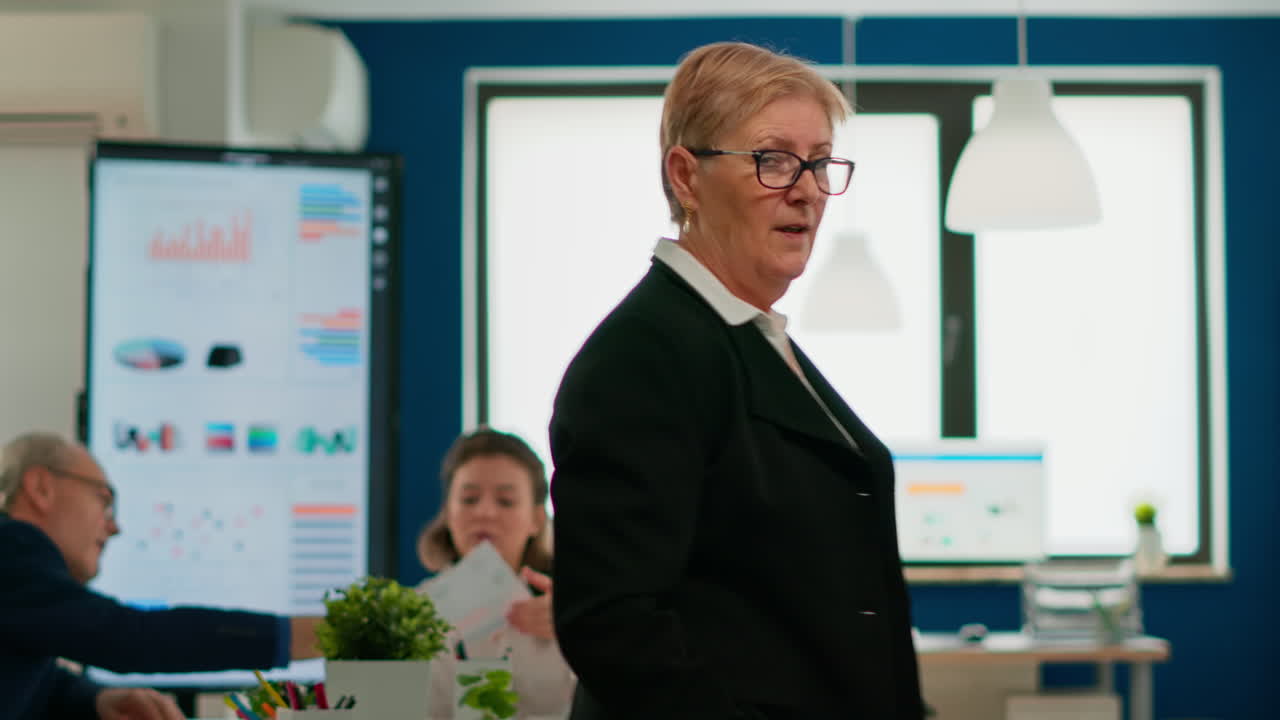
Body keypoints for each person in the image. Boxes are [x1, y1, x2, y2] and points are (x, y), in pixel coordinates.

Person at [548, 41, 925, 720]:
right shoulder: (645, 353)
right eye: (773, 159)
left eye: (818, 162)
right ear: (686, 176)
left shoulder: (752, 338)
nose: (807, 188)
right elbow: (614, 625)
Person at [0, 431, 324, 720]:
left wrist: (98, 700)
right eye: (104, 500)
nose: (114, 527)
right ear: (41, 487)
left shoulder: (21, 588)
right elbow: (126, 635)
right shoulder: (12, 547)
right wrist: (299, 635)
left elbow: (35, 681)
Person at [416, 428, 575, 719]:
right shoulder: (415, 611)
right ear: (448, 513)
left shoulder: (571, 607)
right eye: (469, 499)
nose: (485, 512)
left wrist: (578, 630)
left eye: (506, 501)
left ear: (537, 520)